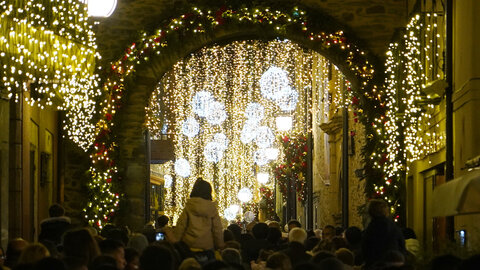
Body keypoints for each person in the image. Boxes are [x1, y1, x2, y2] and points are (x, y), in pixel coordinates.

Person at [174, 178, 224, 258]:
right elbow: (217, 229)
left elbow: (181, 225)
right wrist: (220, 245)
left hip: (189, 246)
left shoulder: (189, 206)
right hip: (207, 247)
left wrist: (176, 240)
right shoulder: (212, 208)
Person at [362, 199, 406, 269]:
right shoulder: (394, 227)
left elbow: (365, 250)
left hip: (375, 265)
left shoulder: (371, 228)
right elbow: (402, 245)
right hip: (393, 264)